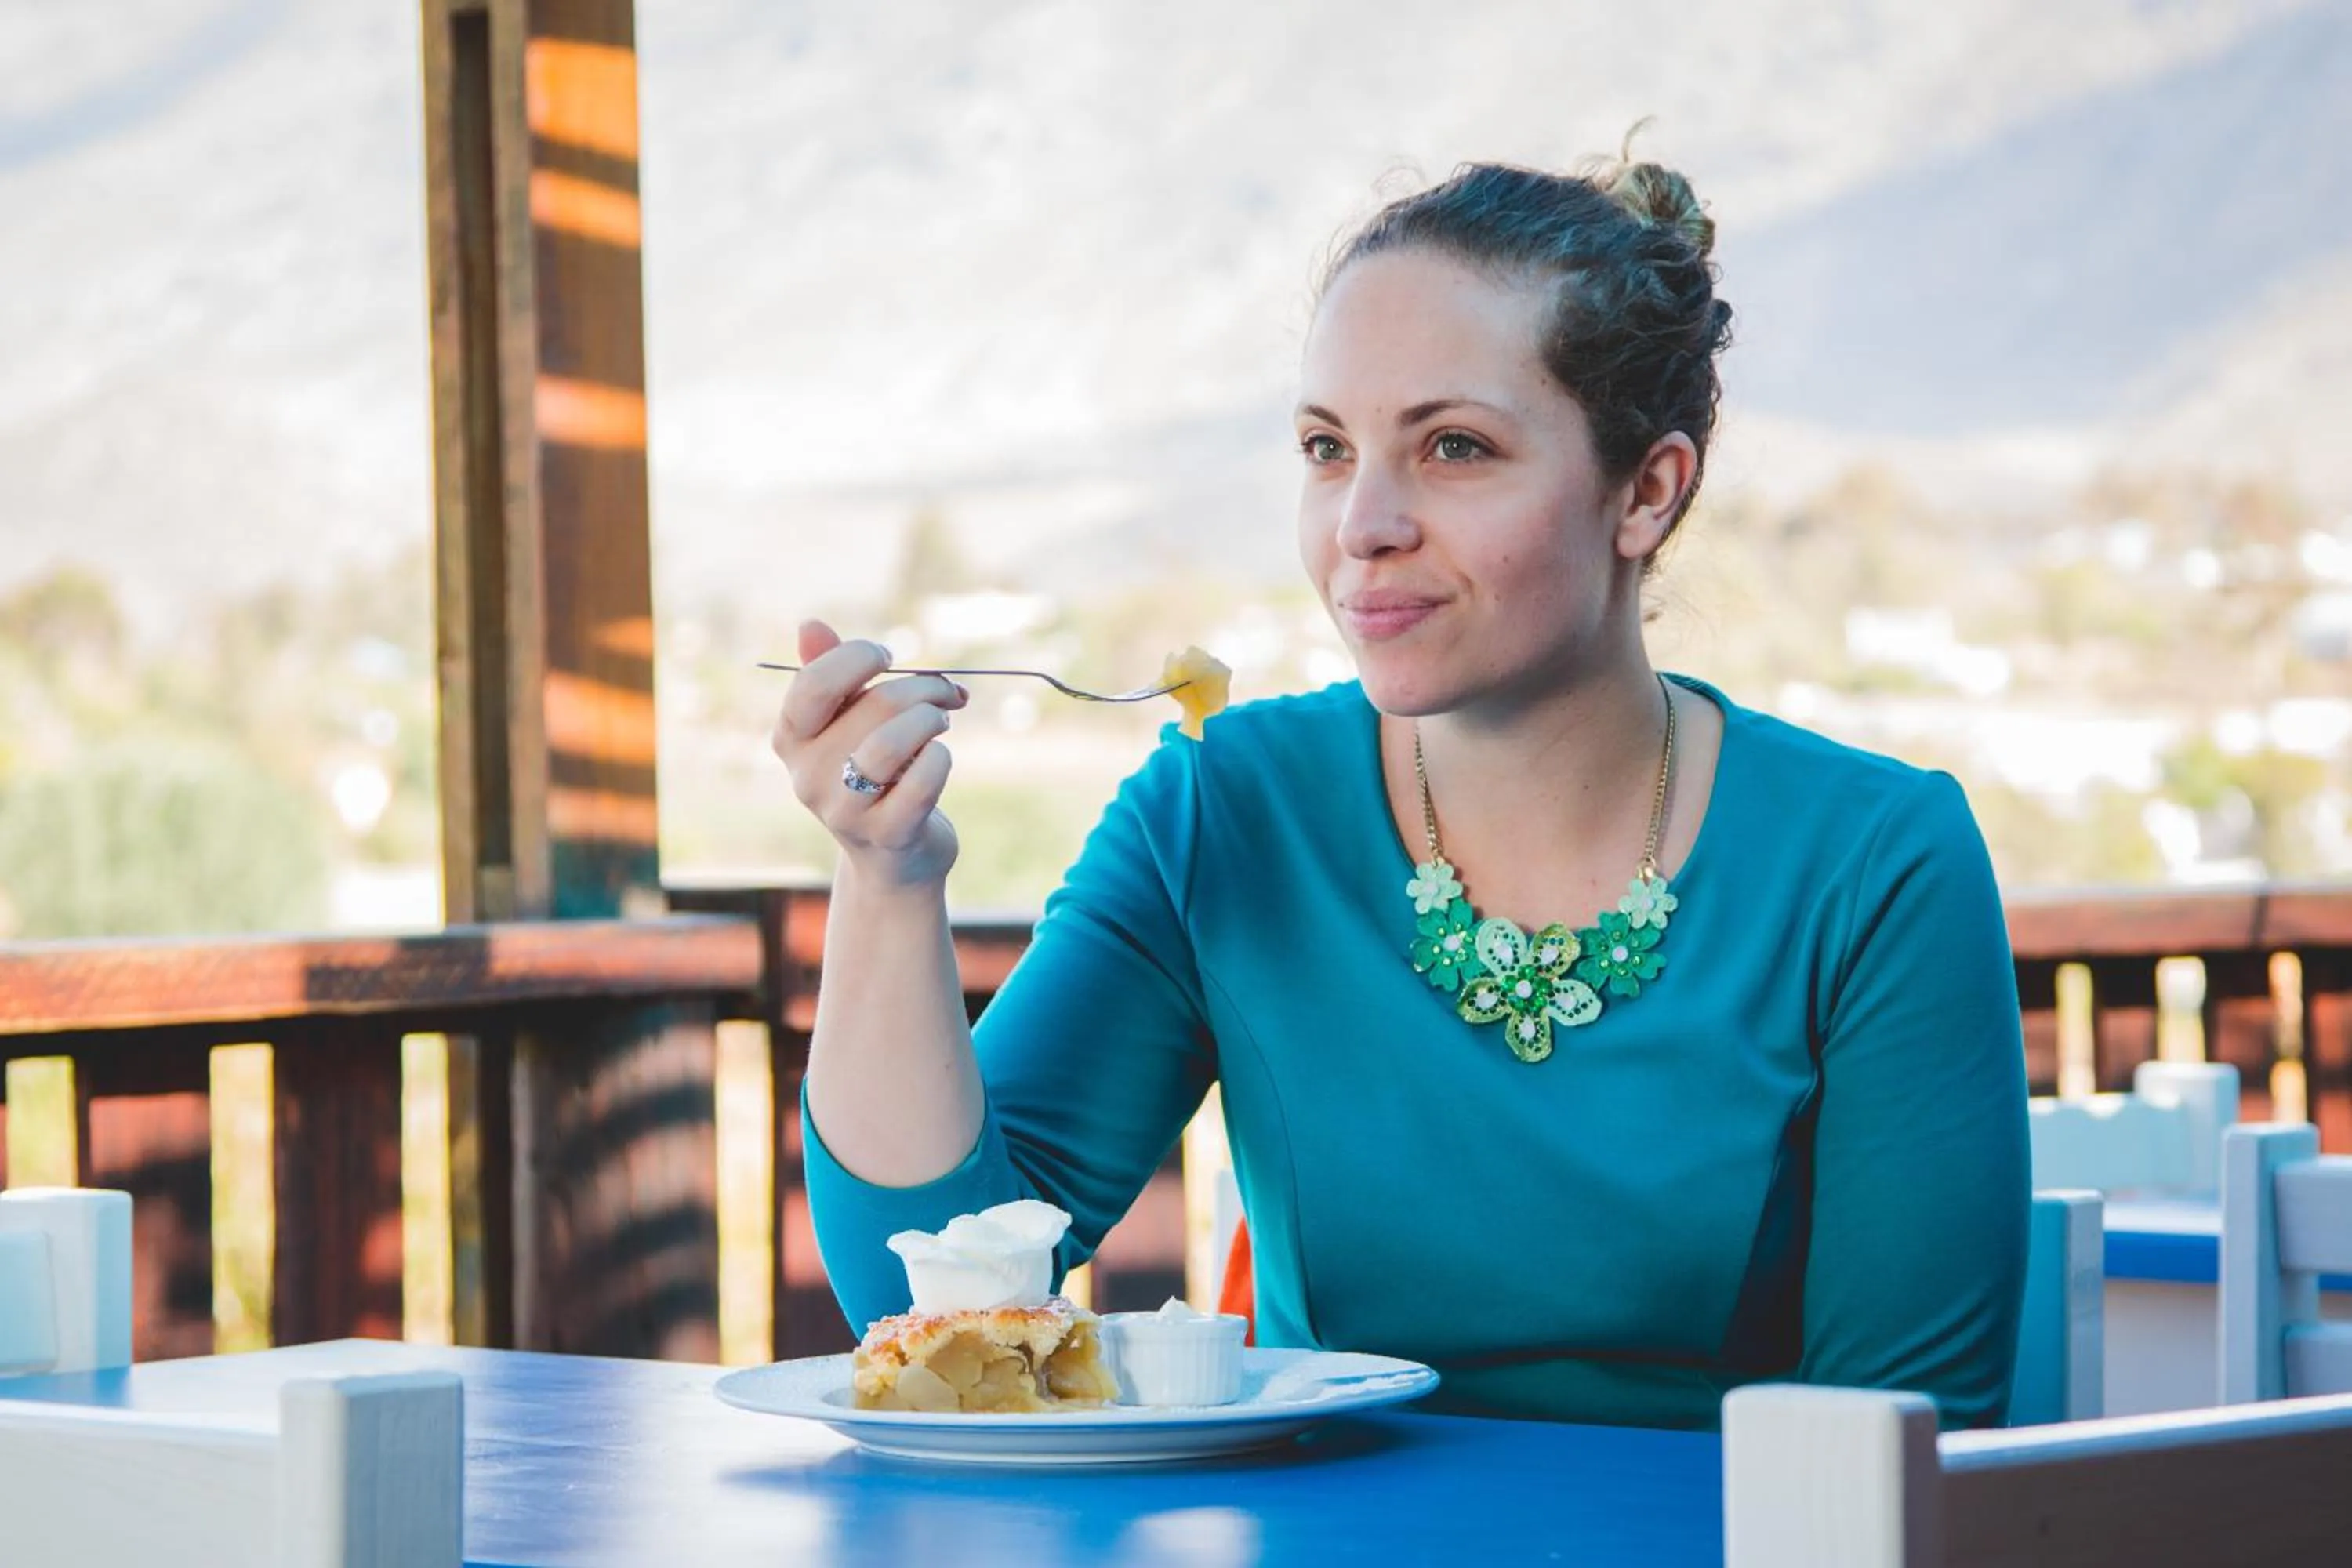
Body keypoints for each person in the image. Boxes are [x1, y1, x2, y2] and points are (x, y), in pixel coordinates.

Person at [769, 154, 2028, 1430]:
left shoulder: (1876, 862)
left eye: (1455, 447)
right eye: (1327, 448)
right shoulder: (1223, 810)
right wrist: (887, 878)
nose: (1362, 522)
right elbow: (922, 1287)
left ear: (1646, 490)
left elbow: (1901, 1448)